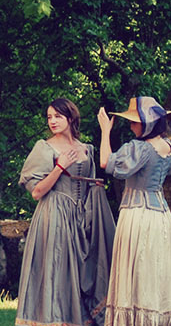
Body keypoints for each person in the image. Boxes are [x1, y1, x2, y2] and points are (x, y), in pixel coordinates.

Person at [97, 96, 171, 326]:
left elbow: (106, 162)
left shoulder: (139, 148)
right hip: (160, 215)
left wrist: (105, 131)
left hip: (137, 215)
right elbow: (168, 171)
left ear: (149, 123)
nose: (131, 126)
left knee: (137, 269)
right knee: (154, 268)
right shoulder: (168, 147)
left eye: (135, 122)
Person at [16, 98, 116, 326]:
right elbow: (37, 191)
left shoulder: (86, 149)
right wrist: (59, 167)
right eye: (49, 117)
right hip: (54, 216)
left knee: (84, 272)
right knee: (58, 271)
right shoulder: (44, 147)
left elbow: (95, 177)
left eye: (57, 116)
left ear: (70, 118)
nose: (52, 121)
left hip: (82, 218)